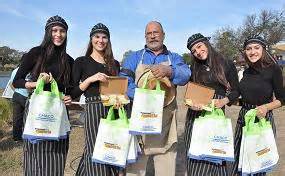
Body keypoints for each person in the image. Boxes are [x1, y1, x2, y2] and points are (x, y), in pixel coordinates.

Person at [120, 21, 191, 176]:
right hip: (140, 125)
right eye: (149, 33)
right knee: (134, 171)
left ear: (163, 35)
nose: (152, 36)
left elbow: (186, 74)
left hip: (165, 125)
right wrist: (141, 95)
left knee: (166, 171)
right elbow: (124, 80)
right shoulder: (135, 57)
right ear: (145, 36)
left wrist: (169, 71)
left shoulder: (174, 58)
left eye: (156, 32)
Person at [13, 15, 74, 176]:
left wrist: (70, 97)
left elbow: (71, 89)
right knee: (36, 152)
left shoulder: (68, 60)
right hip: (37, 110)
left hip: (59, 112)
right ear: (48, 32)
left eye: (62, 31)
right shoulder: (36, 53)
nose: (58, 34)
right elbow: (17, 81)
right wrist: (35, 83)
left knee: (57, 153)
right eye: (54, 30)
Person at [185, 33, 239, 176]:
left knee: (216, 152)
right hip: (195, 116)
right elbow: (190, 94)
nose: (197, 52)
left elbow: (236, 90)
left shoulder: (226, 63)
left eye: (199, 46)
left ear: (206, 44)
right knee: (197, 157)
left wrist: (224, 100)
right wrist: (192, 105)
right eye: (194, 51)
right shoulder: (194, 67)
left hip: (216, 113)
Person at [71, 23, 121, 176]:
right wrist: (90, 79)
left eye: (104, 37)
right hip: (93, 109)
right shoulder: (81, 62)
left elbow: (117, 90)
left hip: (113, 109)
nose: (101, 40)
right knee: (94, 149)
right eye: (97, 36)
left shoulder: (115, 64)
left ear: (108, 40)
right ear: (91, 39)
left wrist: (119, 99)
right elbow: (72, 92)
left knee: (110, 147)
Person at [230, 36, 285, 176]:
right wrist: (228, 101)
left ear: (263, 50)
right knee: (240, 160)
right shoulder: (246, 72)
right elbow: (246, 98)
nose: (252, 52)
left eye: (256, 48)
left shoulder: (274, 69)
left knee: (258, 163)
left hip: (262, 119)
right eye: (248, 49)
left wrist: (266, 107)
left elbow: (282, 99)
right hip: (244, 118)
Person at [10, 63, 30, 141]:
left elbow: (11, 84)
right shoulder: (29, 71)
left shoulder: (15, 70)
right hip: (26, 96)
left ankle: (16, 138)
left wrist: (17, 91)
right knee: (28, 117)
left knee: (16, 118)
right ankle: (27, 136)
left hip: (16, 95)